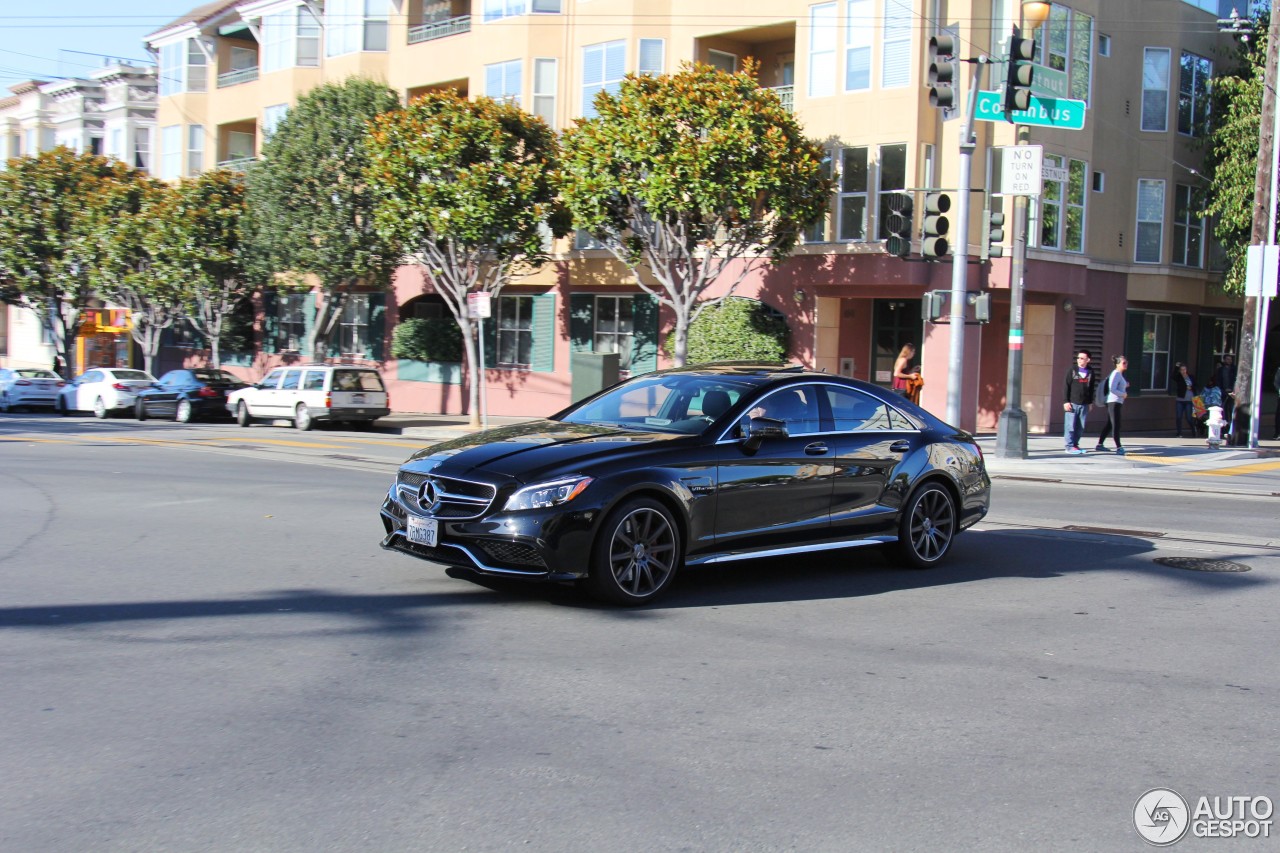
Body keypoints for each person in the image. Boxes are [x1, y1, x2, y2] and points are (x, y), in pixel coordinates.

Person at [1061, 350, 1096, 454]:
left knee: (1080, 427)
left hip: (1084, 403)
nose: (1079, 360)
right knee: (1070, 426)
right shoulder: (1072, 370)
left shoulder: (1090, 372)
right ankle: (1069, 446)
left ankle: (1075, 445)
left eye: (1082, 358)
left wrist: (1090, 402)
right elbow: (1066, 386)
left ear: (1088, 360)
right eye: (1078, 358)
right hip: (1072, 403)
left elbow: (1091, 388)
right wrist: (1066, 401)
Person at [1094, 355, 1129, 455]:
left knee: (1110, 424)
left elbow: (1116, 386)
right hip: (1113, 402)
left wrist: (1125, 385)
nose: (1126, 364)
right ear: (1117, 364)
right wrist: (1123, 394)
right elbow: (1112, 389)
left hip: (1116, 402)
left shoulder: (1119, 375)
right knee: (1116, 424)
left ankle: (1100, 444)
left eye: (1126, 362)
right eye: (1124, 363)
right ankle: (1119, 447)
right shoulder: (1116, 374)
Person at [1215, 353, 1238, 433]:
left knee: (1231, 410)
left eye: (1230, 359)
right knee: (1223, 410)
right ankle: (1224, 428)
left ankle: (1231, 429)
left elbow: (1236, 380)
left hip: (1232, 393)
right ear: (1224, 360)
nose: (1229, 361)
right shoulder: (1221, 370)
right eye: (1227, 359)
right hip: (1223, 392)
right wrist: (1222, 390)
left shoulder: (1234, 369)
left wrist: (1233, 390)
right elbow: (1218, 381)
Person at [1172, 362, 1196, 438]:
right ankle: (1179, 432)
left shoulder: (1190, 377)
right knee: (1179, 417)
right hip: (1180, 400)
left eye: (1184, 369)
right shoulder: (1179, 377)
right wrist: (1176, 367)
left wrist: (1191, 388)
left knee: (1189, 418)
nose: (1183, 371)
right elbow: (1172, 376)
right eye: (1181, 370)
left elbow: (1196, 386)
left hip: (1189, 400)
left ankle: (1193, 429)